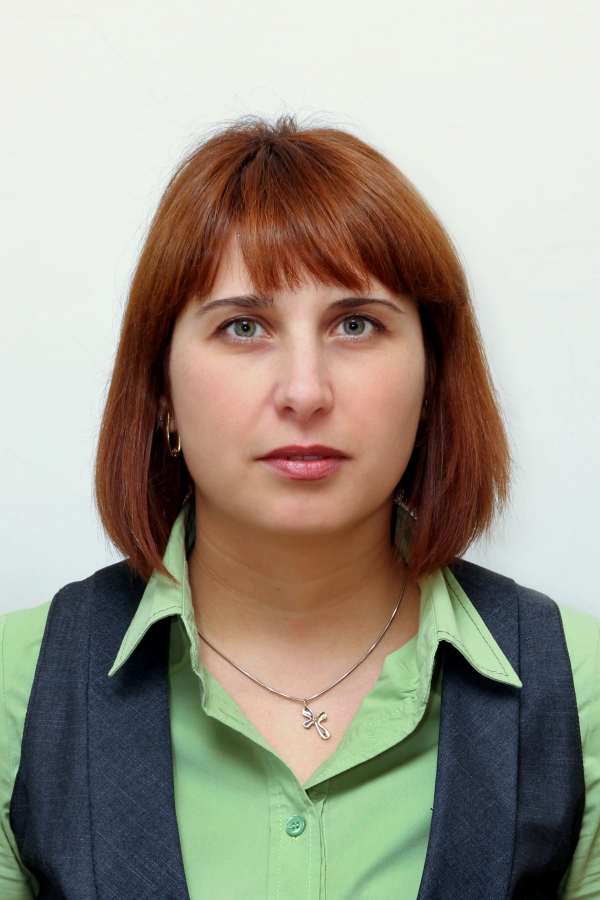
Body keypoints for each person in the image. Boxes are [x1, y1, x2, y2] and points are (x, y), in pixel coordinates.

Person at [0, 116, 598, 900]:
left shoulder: (579, 690)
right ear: (161, 392)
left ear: (431, 381)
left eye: (356, 324)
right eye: (243, 326)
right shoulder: (18, 689)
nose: (305, 392)